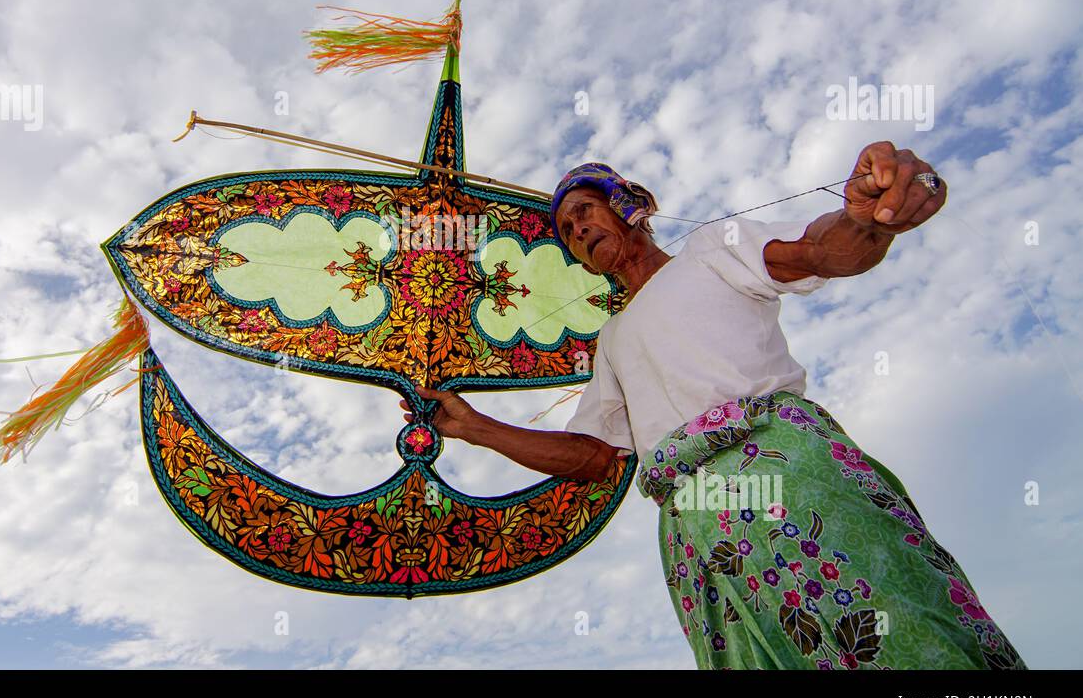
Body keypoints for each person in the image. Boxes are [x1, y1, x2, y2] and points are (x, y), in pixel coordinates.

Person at [400, 142, 1026, 670]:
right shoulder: (612, 340)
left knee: (887, 625)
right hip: (694, 526)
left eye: (586, 211)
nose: (578, 230)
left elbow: (815, 253)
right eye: (567, 230)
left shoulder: (709, 251)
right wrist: (476, 427)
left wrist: (869, 220)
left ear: (629, 207)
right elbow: (593, 457)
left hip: (786, 474)